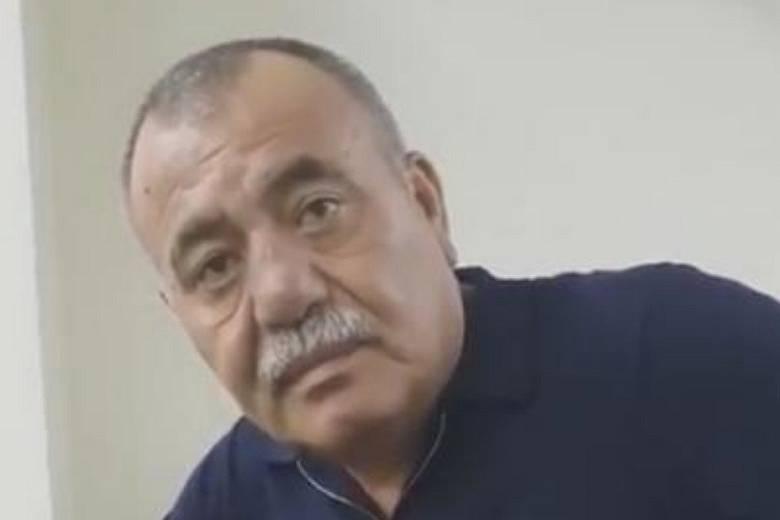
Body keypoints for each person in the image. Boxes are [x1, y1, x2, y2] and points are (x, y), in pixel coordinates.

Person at [121, 38, 780, 520]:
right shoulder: (224, 502)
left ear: (425, 204)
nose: (280, 296)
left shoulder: (683, 353)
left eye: (317, 210)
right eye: (215, 267)